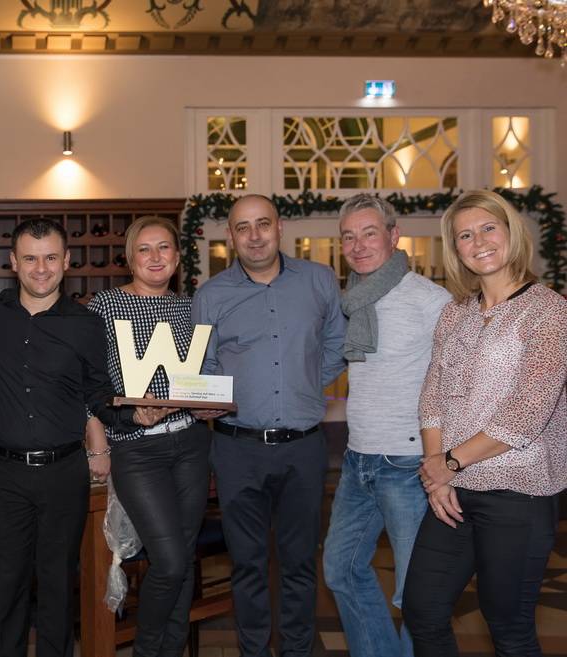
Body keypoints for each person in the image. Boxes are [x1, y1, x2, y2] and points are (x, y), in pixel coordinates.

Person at [0, 217, 162, 657]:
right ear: (13, 263)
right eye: (30, 258)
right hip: (0, 474)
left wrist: (135, 412)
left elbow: (97, 394)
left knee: (59, 585)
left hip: (62, 473)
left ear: (67, 261)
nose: (41, 268)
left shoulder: (85, 324)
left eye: (51, 258)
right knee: (6, 587)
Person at [403, 189, 567, 657]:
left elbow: (527, 411)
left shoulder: (550, 311)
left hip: (519, 493)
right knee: (423, 611)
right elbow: (432, 395)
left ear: (511, 232)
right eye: (465, 236)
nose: (478, 242)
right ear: (456, 250)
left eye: (488, 228)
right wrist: (437, 472)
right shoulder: (454, 314)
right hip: (452, 494)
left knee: (509, 629)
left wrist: (449, 463)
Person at [191, 194, 347, 657]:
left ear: (280, 228)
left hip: (304, 446)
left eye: (263, 224)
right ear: (231, 236)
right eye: (243, 227)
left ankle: (297, 651)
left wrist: (301, 384)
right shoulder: (211, 295)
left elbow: (336, 343)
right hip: (238, 450)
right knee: (248, 565)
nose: (254, 235)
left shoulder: (318, 280)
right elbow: (205, 364)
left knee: (300, 564)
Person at [321, 194, 450, 657]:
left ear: (394, 237)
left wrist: (443, 460)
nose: (358, 245)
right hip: (359, 461)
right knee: (341, 569)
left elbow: (456, 382)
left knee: (416, 594)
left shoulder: (430, 300)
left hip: (409, 464)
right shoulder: (352, 300)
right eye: (349, 237)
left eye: (369, 233)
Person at [86, 215, 217, 657]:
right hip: (137, 450)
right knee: (170, 560)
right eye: (145, 249)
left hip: (191, 443)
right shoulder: (104, 307)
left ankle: (171, 649)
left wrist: (208, 402)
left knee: (183, 557)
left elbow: (198, 377)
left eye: (164, 248)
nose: (155, 257)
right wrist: (98, 444)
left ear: (178, 258)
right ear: (129, 258)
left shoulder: (189, 307)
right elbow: (88, 387)